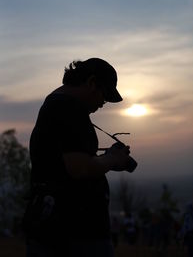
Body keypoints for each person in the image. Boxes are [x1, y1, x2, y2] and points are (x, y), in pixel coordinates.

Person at [23, 57, 136, 257]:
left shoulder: (56, 105)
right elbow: (80, 168)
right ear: (91, 82)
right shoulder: (68, 108)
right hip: (74, 233)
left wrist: (107, 159)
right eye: (105, 94)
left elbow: (69, 163)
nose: (103, 103)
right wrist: (111, 160)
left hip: (56, 231)